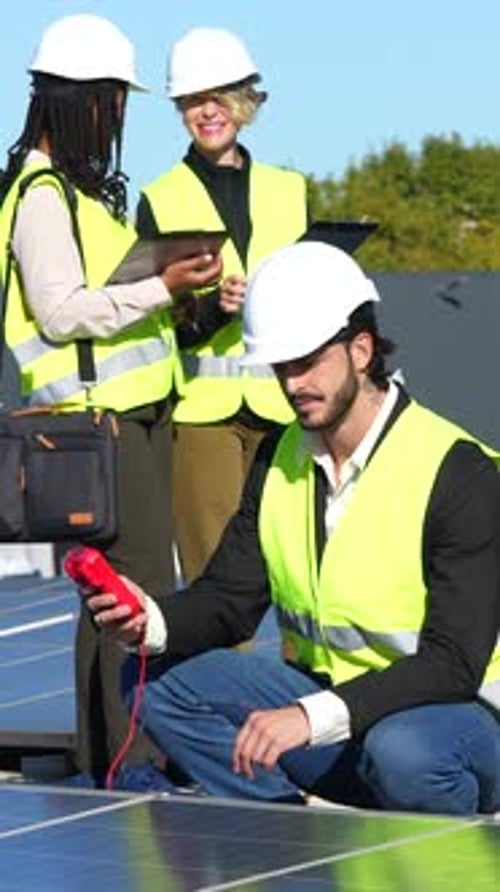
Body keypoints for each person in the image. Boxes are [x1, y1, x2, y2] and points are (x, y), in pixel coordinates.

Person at [87, 241, 500, 815]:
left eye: (307, 362)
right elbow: (229, 599)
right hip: (340, 715)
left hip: (456, 717)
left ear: (361, 350)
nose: (292, 383)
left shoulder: (460, 470)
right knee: (152, 679)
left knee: (405, 754)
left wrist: (308, 717)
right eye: (281, 366)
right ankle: (295, 831)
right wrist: (149, 620)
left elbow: (453, 662)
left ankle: (464, 833)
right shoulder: (280, 456)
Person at [0, 13, 221, 788]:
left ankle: (112, 758)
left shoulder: (79, 193)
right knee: (138, 600)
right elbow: (61, 312)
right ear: (77, 100)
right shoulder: (39, 197)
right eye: (111, 98)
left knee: (109, 600)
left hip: (132, 417)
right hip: (98, 427)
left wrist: (171, 291)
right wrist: (159, 285)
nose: (119, 114)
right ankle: (137, 760)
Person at [136, 27, 308, 584]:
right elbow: (151, 323)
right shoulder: (159, 199)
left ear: (243, 101)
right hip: (202, 416)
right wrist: (213, 311)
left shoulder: (291, 191)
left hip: (285, 409)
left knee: (295, 573)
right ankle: (217, 677)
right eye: (191, 101)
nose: (206, 112)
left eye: (217, 98)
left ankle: (303, 678)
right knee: (215, 582)